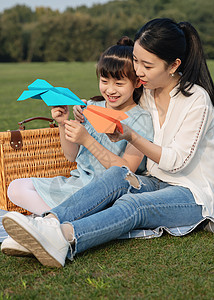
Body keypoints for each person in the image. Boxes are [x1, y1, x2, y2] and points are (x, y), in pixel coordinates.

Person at [2, 18, 214, 268]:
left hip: (192, 193)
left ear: (173, 65)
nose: (139, 71)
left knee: (134, 205)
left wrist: (131, 136)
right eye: (136, 61)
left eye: (147, 65)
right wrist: (84, 109)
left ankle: (64, 237)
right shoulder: (147, 90)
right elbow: (113, 100)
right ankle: (47, 223)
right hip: (156, 180)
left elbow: (176, 162)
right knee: (116, 176)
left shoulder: (196, 100)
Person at [6, 37, 153, 215]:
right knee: (15, 188)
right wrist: (63, 123)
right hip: (78, 185)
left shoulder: (141, 120)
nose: (110, 90)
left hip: (109, 194)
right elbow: (71, 155)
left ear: (137, 83)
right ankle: (60, 218)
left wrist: (87, 139)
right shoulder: (89, 107)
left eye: (119, 84)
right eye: (104, 81)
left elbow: (126, 171)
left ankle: (58, 219)